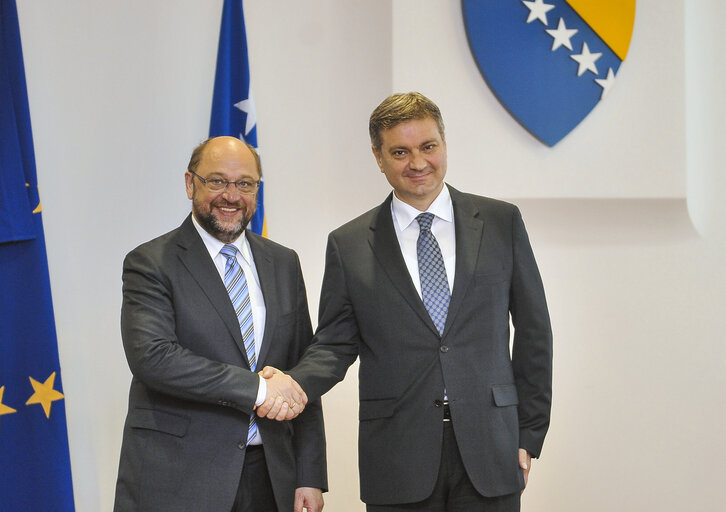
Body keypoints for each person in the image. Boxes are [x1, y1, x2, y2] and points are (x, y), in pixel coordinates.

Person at [263, 92, 552, 511]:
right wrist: (294, 383)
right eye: (400, 152)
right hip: (397, 457)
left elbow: (534, 332)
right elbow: (335, 343)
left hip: (492, 448)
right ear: (379, 158)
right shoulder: (348, 245)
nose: (417, 163)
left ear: (444, 145)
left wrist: (529, 433)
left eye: (427, 147)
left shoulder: (501, 222)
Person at [114, 136, 326, 512]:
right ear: (189, 183)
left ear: (257, 190)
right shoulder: (150, 262)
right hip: (179, 477)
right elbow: (154, 358)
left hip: (271, 478)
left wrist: (309, 475)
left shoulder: (284, 263)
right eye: (217, 181)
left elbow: (300, 372)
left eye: (244, 183)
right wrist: (259, 391)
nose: (231, 195)